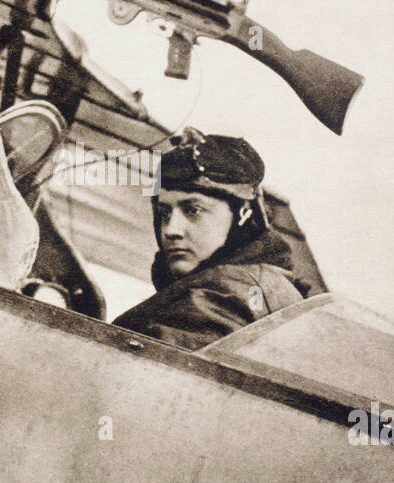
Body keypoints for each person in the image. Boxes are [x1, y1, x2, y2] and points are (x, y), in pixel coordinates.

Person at [112, 128, 313, 350]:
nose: (171, 230)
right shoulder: (264, 283)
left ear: (242, 215)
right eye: (164, 213)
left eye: (193, 210)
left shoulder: (223, 294)